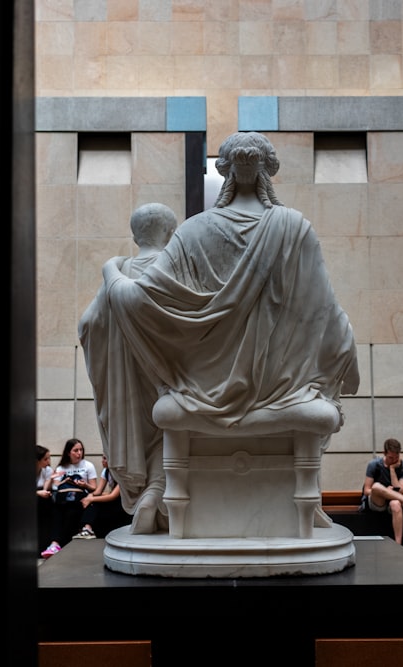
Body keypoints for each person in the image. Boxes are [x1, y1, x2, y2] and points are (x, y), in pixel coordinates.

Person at [79, 132, 360, 535]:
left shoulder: (194, 231)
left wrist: (111, 269)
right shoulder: (295, 228)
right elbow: (328, 317)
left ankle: (165, 497)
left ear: (225, 171)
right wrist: (341, 359)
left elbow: (140, 301)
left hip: (202, 389)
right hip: (281, 388)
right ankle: (300, 501)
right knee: (320, 386)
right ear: (268, 171)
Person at [78, 202, 178, 534]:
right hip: (169, 373)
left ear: (136, 235)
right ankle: (154, 497)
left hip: (127, 380)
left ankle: (150, 497)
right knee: (170, 434)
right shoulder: (176, 267)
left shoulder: (118, 273)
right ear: (169, 232)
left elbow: (88, 323)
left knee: (146, 438)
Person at [362, 438, 403, 546]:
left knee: (396, 504)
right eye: (390, 457)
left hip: (395, 500)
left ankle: (398, 544)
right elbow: (367, 490)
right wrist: (384, 491)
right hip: (377, 500)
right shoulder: (374, 465)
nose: (394, 460)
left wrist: (392, 470)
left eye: (396, 457)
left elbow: (400, 491)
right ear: (384, 453)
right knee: (376, 486)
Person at [40, 438, 98, 559]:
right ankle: (54, 544)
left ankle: (86, 529)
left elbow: (94, 488)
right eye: (75, 450)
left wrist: (84, 485)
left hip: (80, 497)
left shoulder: (88, 465)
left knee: (86, 503)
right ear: (68, 452)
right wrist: (63, 481)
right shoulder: (61, 467)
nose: (79, 453)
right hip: (64, 498)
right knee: (56, 509)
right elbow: (55, 486)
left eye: (81, 450)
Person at [73, 454, 132, 540]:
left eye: (105, 458)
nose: (102, 461)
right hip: (114, 502)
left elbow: (113, 496)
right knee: (88, 500)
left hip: (123, 504)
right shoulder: (106, 471)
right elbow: (98, 491)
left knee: (93, 502)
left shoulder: (121, 473)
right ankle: (87, 528)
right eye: (102, 458)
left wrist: (92, 499)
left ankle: (88, 528)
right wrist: (90, 495)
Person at [35, 445, 54, 553]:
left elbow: (46, 486)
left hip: (42, 498)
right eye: (45, 459)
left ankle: (44, 545)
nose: (48, 461)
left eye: (49, 458)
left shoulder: (47, 470)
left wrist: (44, 491)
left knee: (47, 501)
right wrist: (39, 493)